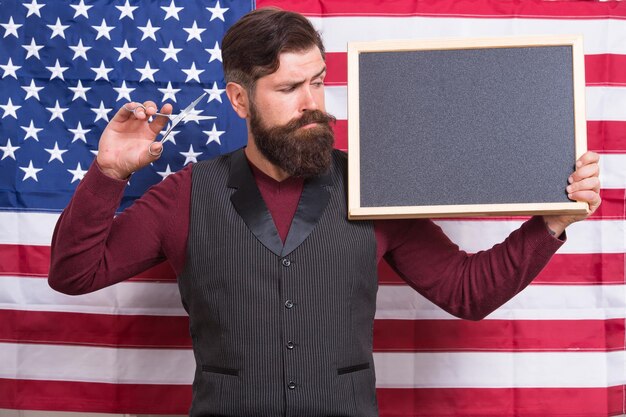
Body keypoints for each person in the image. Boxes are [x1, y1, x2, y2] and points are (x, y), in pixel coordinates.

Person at [48, 7, 601, 417]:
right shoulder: (182, 196)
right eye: (289, 88)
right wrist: (109, 174)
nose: (313, 102)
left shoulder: (373, 184)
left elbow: (468, 291)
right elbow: (74, 275)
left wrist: (552, 221)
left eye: (317, 81)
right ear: (240, 100)